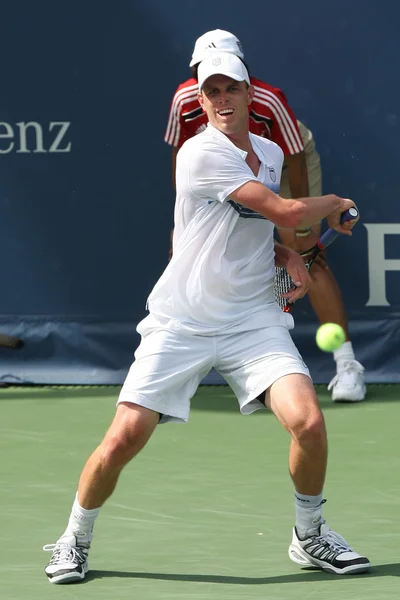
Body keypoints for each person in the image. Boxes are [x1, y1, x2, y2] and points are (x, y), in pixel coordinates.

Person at [43, 53, 370, 584]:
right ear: (200, 100)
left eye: (230, 89)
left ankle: (310, 536)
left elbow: (263, 228)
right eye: (210, 91)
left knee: (308, 421)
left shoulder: (266, 152)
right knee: (125, 435)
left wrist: (285, 258)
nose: (221, 99)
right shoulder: (199, 153)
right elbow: (287, 212)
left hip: (252, 321)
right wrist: (334, 202)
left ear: (249, 95)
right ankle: (73, 539)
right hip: (182, 322)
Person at [164, 29, 366, 403]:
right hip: (221, 168)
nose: (220, 92)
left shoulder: (268, 101)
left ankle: (347, 364)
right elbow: (181, 160)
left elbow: (292, 156)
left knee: (307, 255)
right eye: (206, 78)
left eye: (231, 83)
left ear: (245, 75)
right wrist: (186, 223)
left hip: (284, 164)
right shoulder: (185, 101)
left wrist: (301, 227)